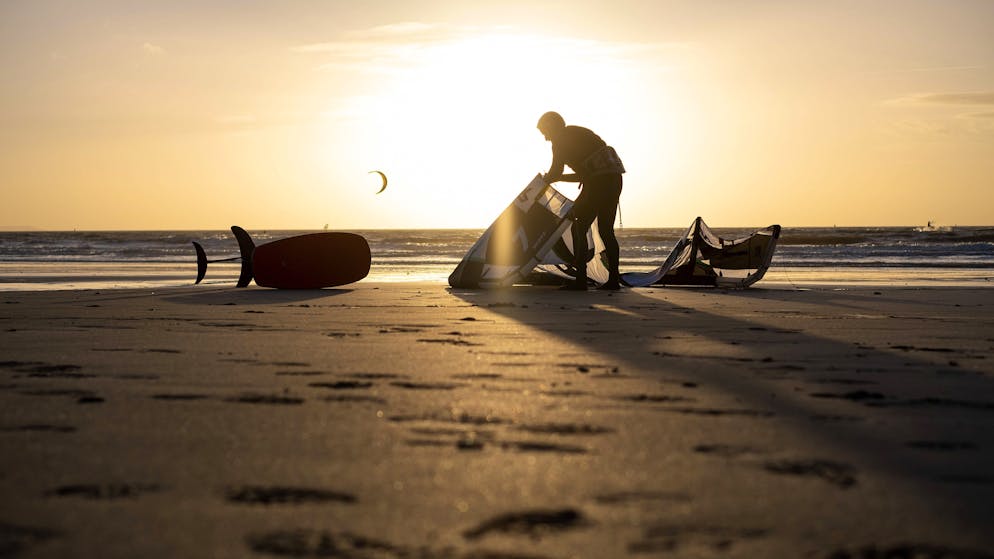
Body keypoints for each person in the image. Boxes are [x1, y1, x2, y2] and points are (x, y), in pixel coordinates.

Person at [537, 111, 625, 290]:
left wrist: (542, 183)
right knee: (606, 231)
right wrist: (558, 178)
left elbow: (556, 172)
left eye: (545, 132)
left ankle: (581, 280)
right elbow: (585, 173)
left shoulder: (559, 140)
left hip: (598, 182)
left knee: (579, 226)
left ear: (551, 126)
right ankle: (614, 279)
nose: (546, 138)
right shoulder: (579, 132)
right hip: (614, 180)